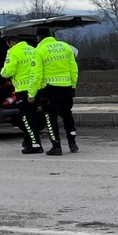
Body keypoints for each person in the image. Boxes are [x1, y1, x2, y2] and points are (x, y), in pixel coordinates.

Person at [32, 26, 79, 156]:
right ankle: (72, 142)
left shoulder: (39, 50)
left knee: (51, 118)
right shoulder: (65, 46)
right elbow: (74, 69)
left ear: (38, 37)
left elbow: (37, 75)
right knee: (67, 115)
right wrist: (73, 86)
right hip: (67, 87)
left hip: (50, 89)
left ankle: (56, 146)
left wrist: (32, 93)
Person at [0, 35, 43, 154]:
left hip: (23, 90)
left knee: (27, 119)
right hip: (36, 88)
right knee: (32, 117)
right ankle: (28, 142)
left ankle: (35, 145)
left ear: (11, 42)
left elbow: (8, 71)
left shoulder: (13, 52)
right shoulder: (33, 49)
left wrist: (1, 71)